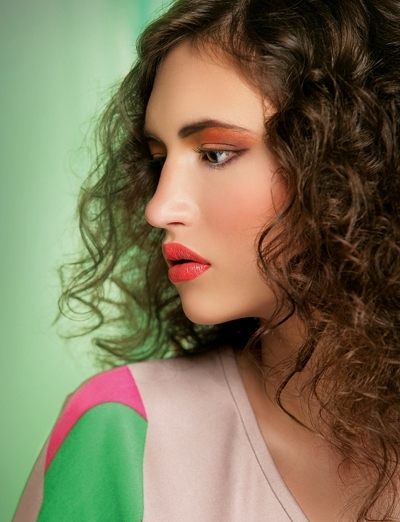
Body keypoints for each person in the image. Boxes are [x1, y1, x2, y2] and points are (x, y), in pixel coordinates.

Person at [13, 0, 400, 520]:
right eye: (158, 160)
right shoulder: (126, 433)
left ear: (358, 161)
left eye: (215, 153)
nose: (158, 208)